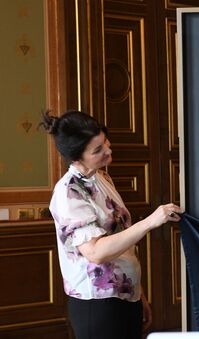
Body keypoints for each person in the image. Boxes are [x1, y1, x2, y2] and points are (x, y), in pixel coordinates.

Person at [40, 110, 183, 338]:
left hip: (124, 296)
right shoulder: (68, 192)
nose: (108, 150)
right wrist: (149, 222)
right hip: (97, 304)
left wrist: (138, 294)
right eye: (97, 150)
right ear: (77, 158)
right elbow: (95, 252)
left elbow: (121, 240)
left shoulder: (102, 178)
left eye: (105, 141)